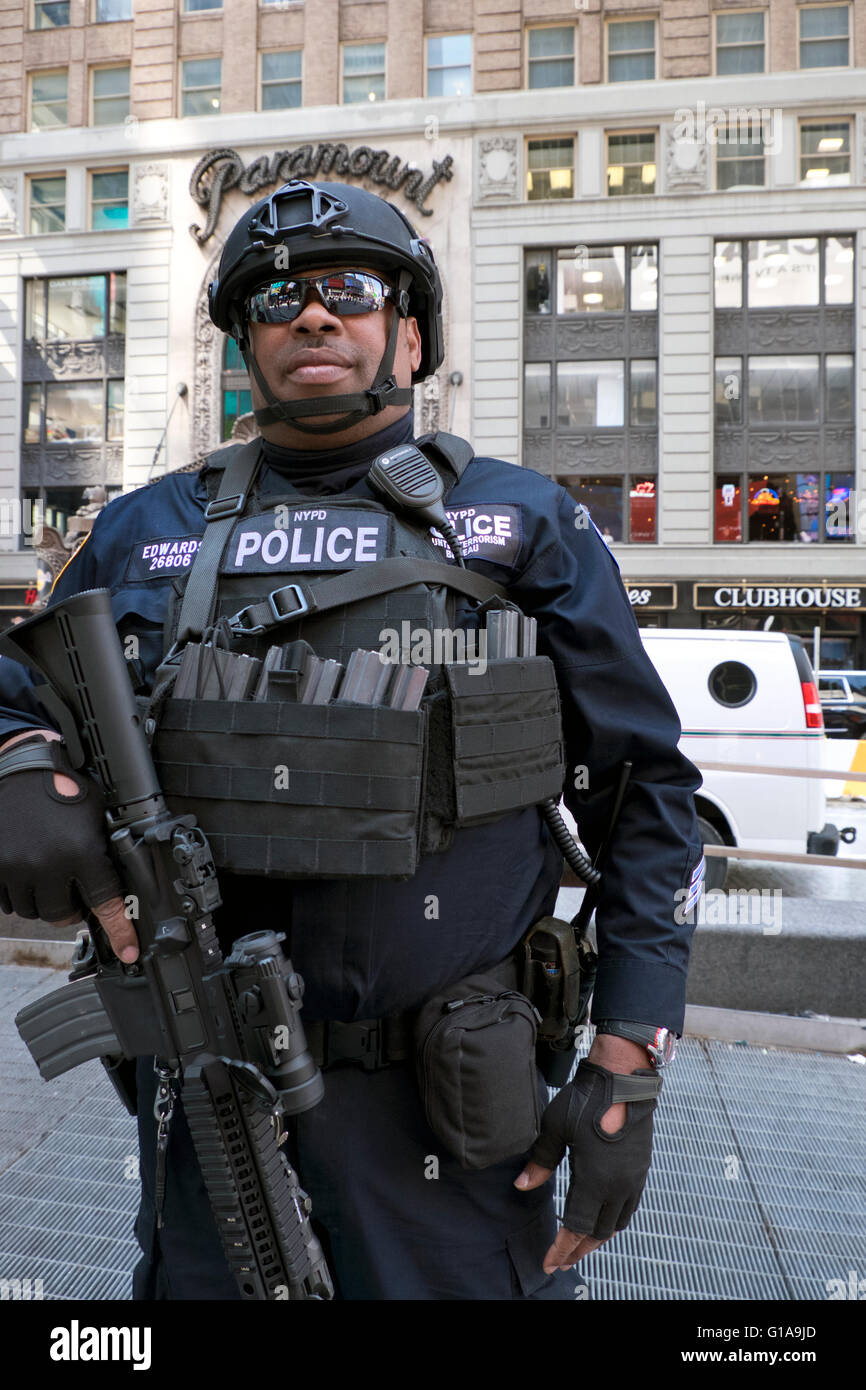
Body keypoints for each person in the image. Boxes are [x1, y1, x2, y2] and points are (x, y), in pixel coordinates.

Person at [0, 179, 703, 1301]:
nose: (310, 314)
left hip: (454, 1109)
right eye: (275, 297)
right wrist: (23, 767)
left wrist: (630, 1060)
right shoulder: (142, 531)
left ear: (407, 334)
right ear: (243, 343)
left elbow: (648, 797)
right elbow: (16, 693)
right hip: (204, 1084)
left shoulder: (524, 525)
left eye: (346, 289)